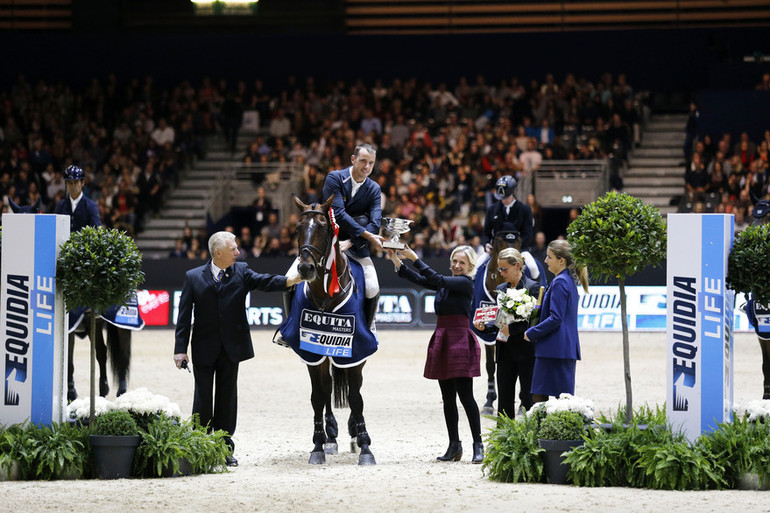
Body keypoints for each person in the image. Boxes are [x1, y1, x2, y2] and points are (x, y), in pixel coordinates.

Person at [173, 231, 302, 467]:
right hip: (203, 347)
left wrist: (291, 281)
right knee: (202, 397)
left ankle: (224, 448)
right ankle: (200, 445)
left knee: (227, 397)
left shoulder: (241, 271)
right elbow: (183, 317)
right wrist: (180, 349)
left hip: (232, 347)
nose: (237, 252)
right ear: (218, 252)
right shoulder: (193, 277)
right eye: (233, 249)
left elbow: (265, 280)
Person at [387, 244, 483, 464]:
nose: (457, 265)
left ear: (469, 266)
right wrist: (396, 260)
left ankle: (478, 444)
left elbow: (435, 278)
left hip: (459, 339)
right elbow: (420, 280)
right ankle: (454, 445)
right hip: (443, 338)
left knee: (466, 395)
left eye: (462, 263)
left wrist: (413, 256)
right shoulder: (446, 284)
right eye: (455, 261)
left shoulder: (465, 282)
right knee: (447, 398)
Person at [285, 143, 384, 330]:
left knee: (373, 286)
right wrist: (366, 235)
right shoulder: (335, 178)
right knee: (289, 278)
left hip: (357, 246)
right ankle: (289, 328)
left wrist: (353, 241)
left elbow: (375, 223)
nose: (367, 167)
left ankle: (369, 329)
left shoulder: (374, 189)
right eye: (363, 161)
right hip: (326, 243)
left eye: (371, 163)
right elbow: (338, 213)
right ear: (353, 160)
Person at [474, 248, 541, 418]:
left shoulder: (533, 288)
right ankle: (504, 438)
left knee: (528, 398)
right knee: (504, 401)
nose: (501, 273)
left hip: (527, 352)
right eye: (499, 269)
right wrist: (486, 328)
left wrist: (511, 330)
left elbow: (533, 321)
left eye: (505, 269)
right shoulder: (501, 288)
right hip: (504, 352)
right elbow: (499, 321)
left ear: (517, 265)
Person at [55, 164, 103, 401]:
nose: (72, 186)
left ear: (82, 183)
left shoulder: (90, 206)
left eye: (76, 182)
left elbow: (97, 233)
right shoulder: (60, 206)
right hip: (66, 262)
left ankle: (92, 308)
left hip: (85, 262)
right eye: (69, 183)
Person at [524, 240, 589, 403]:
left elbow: (556, 317)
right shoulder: (567, 281)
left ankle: (540, 429)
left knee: (541, 398)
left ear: (562, 260)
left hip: (554, 349)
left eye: (549, 257)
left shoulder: (560, 282)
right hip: (562, 348)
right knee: (562, 399)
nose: (545, 261)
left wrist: (532, 332)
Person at [483, 175, 534, 251]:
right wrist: (486, 244)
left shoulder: (525, 209)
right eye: (501, 197)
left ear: (514, 191)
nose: (504, 200)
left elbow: (528, 234)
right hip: (496, 249)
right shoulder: (492, 209)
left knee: (532, 263)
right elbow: (486, 233)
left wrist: (516, 246)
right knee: (479, 263)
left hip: (520, 249)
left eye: (506, 197)